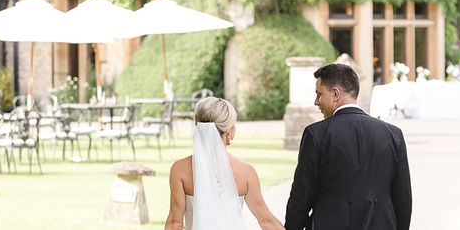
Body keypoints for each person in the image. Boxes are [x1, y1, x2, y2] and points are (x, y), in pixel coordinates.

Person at [284, 63, 412, 230]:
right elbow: (403, 198)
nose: (316, 102)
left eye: (319, 94)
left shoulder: (316, 134)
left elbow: (301, 196)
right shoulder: (393, 134)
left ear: (335, 93)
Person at [164, 96, 285, 230]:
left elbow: (175, 222)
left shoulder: (180, 169)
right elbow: (266, 220)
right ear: (229, 133)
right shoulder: (246, 172)